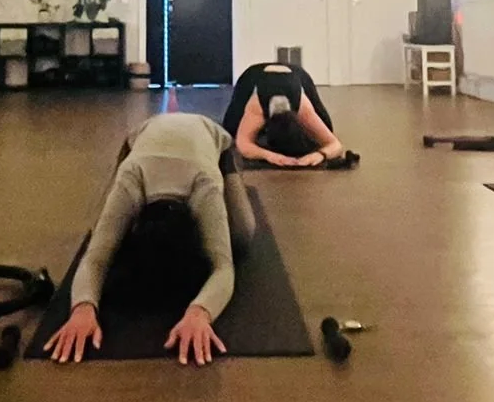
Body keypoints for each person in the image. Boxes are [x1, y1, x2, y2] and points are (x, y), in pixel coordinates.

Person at [44, 111, 254, 366]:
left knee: (241, 234)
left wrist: (200, 313)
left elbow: (223, 267)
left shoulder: (205, 184)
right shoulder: (131, 176)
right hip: (142, 138)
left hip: (210, 137)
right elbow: (95, 258)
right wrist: (82, 309)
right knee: (101, 231)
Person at [221, 60, 347, 168]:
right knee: (230, 130)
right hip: (253, 75)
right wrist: (270, 156)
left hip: (296, 74)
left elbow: (335, 145)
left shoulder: (302, 109)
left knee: (327, 125)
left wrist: (319, 155)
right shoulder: (258, 106)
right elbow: (242, 144)